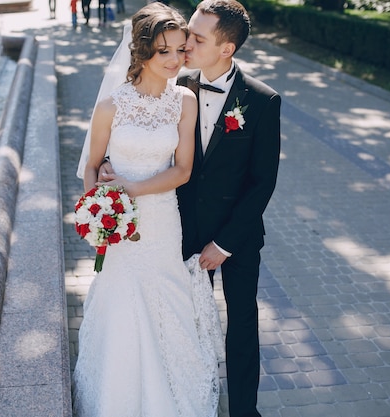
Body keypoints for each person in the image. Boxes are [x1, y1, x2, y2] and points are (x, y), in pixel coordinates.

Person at [96, 1, 282, 416]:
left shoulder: (263, 101)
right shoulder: (179, 89)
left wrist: (225, 244)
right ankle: (181, 393)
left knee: (241, 326)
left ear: (226, 49)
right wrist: (111, 165)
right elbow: (138, 127)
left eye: (196, 39)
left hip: (236, 236)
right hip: (180, 229)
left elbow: (262, 183)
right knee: (184, 320)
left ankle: (243, 410)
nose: (185, 47)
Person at [72, 3, 224, 416]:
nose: (177, 60)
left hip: (161, 223)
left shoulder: (184, 101)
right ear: (140, 53)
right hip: (121, 232)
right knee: (122, 306)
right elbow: (90, 165)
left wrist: (130, 190)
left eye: (180, 50)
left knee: (166, 304)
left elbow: (183, 170)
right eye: (165, 52)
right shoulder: (111, 106)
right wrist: (99, 213)